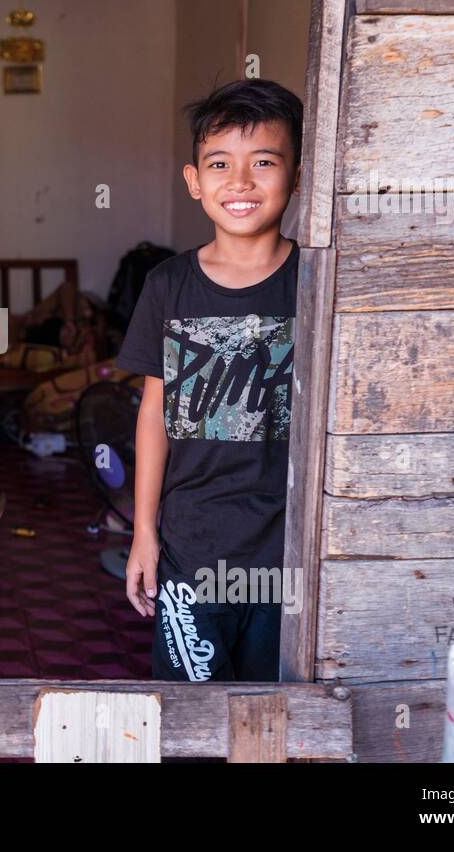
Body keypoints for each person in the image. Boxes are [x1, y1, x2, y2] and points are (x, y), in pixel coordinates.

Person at [116, 79, 302, 682]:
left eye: (264, 162)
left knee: (278, 712)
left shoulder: (316, 281)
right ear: (195, 181)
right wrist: (143, 533)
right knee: (193, 716)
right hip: (192, 544)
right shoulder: (168, 285)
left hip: (288, 547)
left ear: (297, 176)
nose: (241, 181)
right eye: (220, 163)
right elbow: (154, 414)